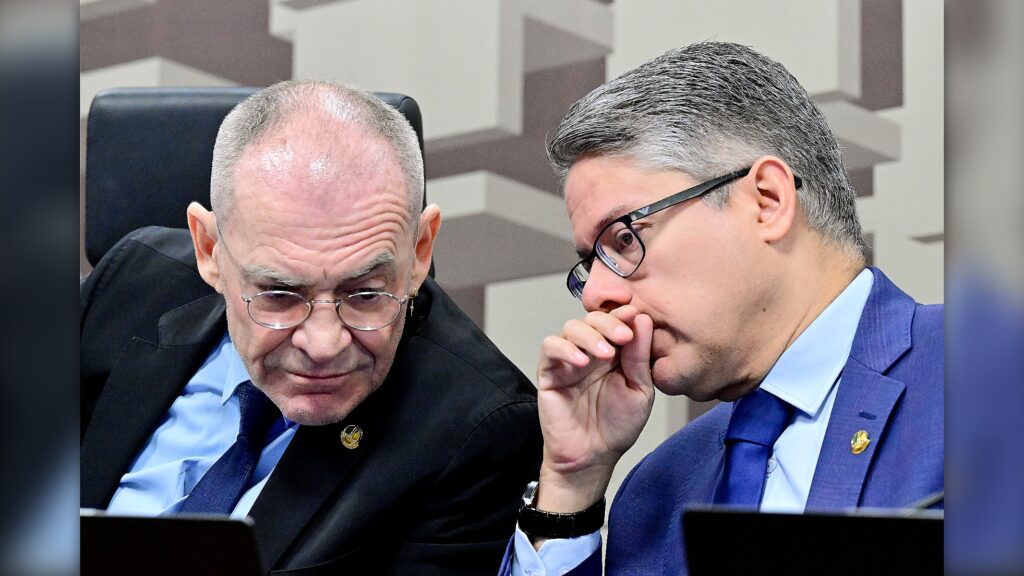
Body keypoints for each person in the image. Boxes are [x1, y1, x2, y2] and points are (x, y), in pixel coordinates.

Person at [502, 41, 943, 575]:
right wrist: (570, 486)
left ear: (767, 201)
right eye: (589, 263)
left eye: (624, 238)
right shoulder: (655, 494)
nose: (596, 294)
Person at [80, 80, 542, 575]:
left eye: (365, 294)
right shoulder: (133, 280)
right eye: (280, 294)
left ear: (420, 251)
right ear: (210, 251)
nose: (323, 345)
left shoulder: (479, 433)